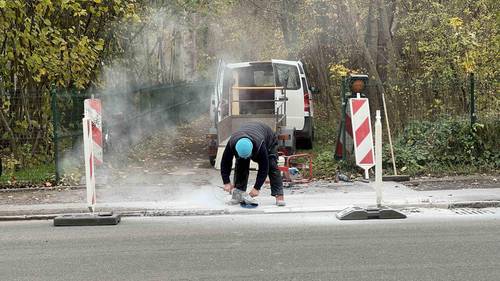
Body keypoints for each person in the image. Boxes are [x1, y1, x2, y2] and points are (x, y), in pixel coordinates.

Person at [220, 122, 285, 206]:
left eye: (248, 156)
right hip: (249, 133)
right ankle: (238, 194)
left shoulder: (260, 146)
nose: (246, 158)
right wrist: (226, 182)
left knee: (271, 165)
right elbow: (225, 162)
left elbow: (264, 168)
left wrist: (256, 188)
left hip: (268, 139)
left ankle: (279, 196)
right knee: (241, 165)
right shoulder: (232, 143)